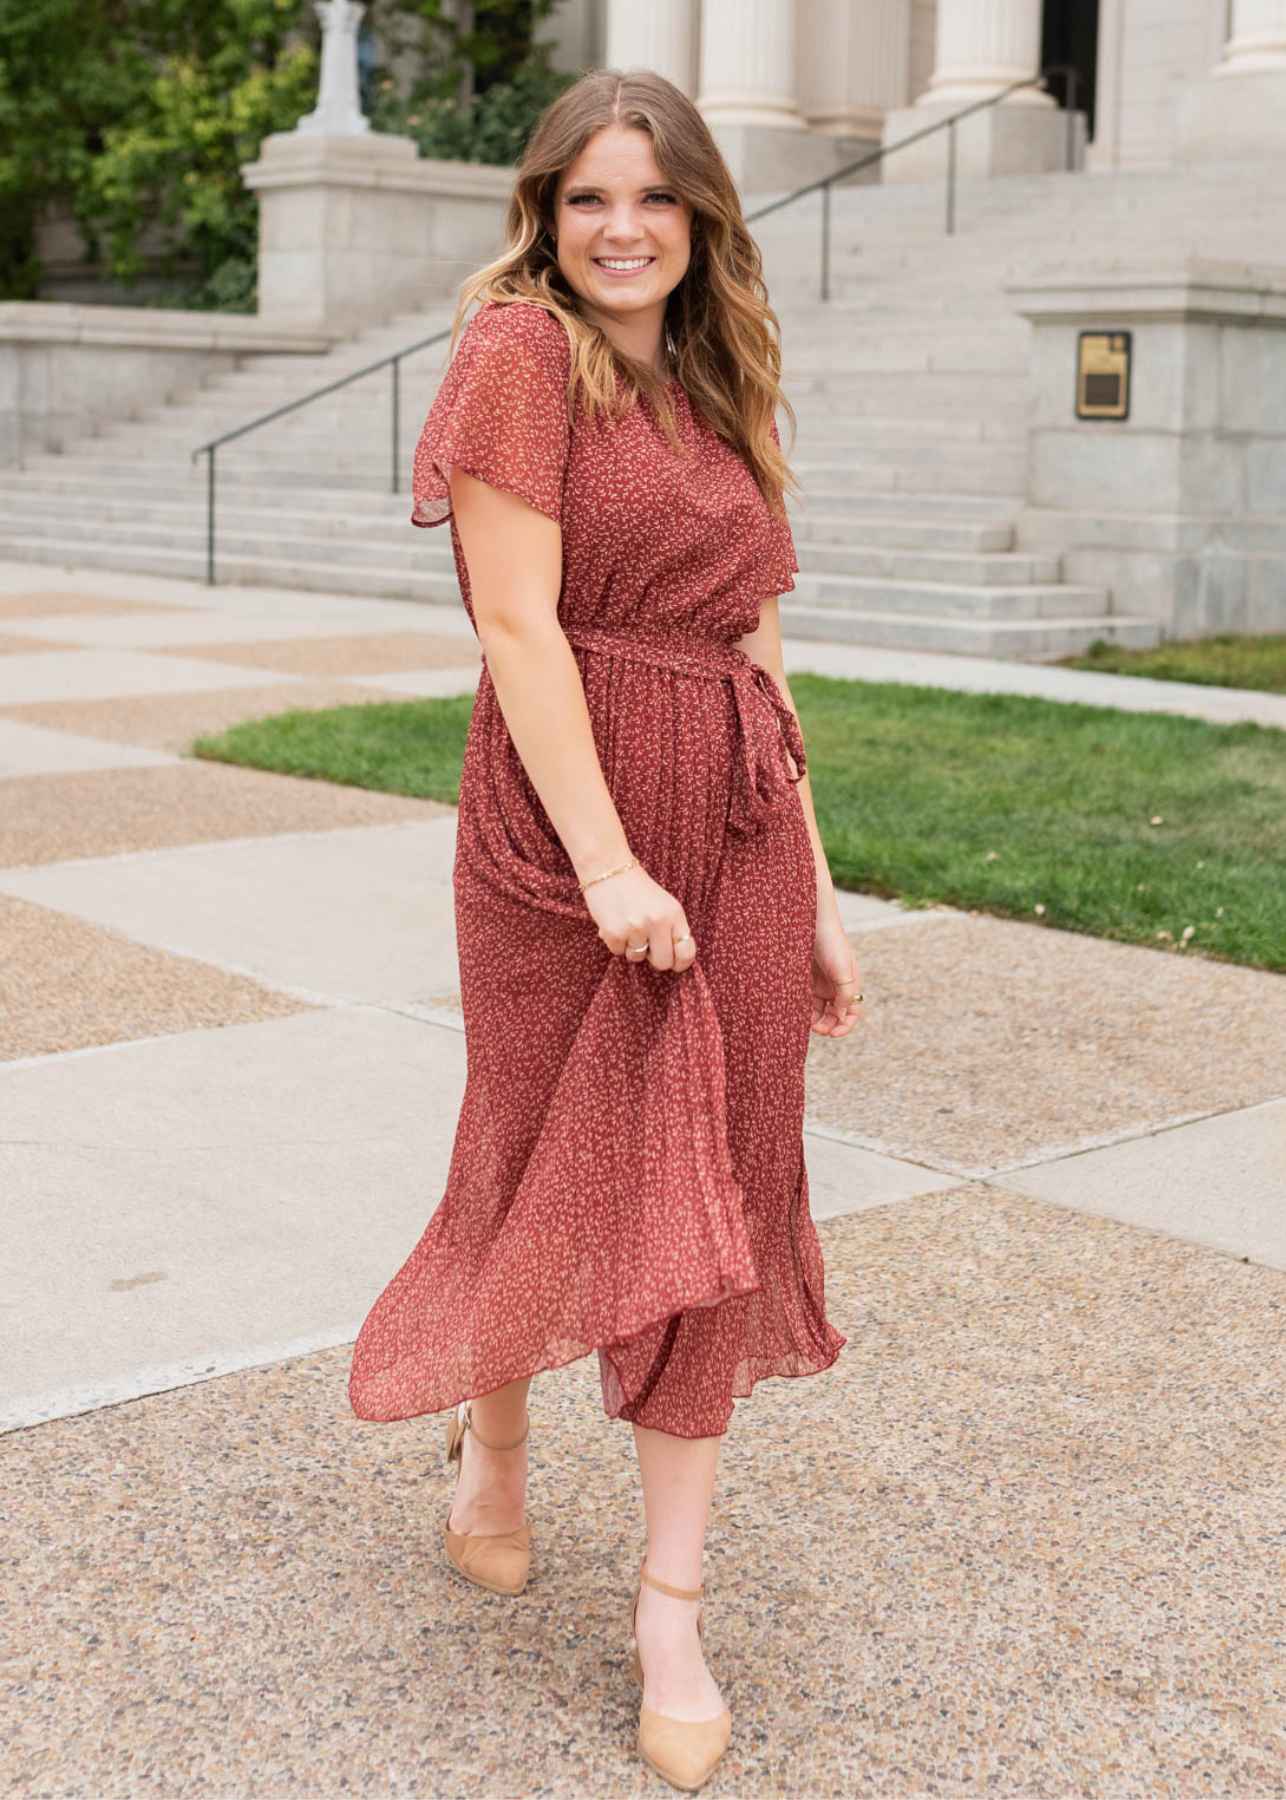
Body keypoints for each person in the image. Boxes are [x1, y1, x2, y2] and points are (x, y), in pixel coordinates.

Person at [348, 65, 863, 1794]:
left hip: (732, 832)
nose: (621, 229)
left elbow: (760, 654)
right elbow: (515, 620)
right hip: (561, 837)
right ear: (546, 217)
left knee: (714, 1185)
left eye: (651, 197)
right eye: (587, 199)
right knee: (533, 1152)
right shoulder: (515, 353)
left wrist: (818, 892)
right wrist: (607, 869)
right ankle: (489, 1441)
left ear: (700, 211)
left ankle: (667, 1610)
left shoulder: (724, 376)